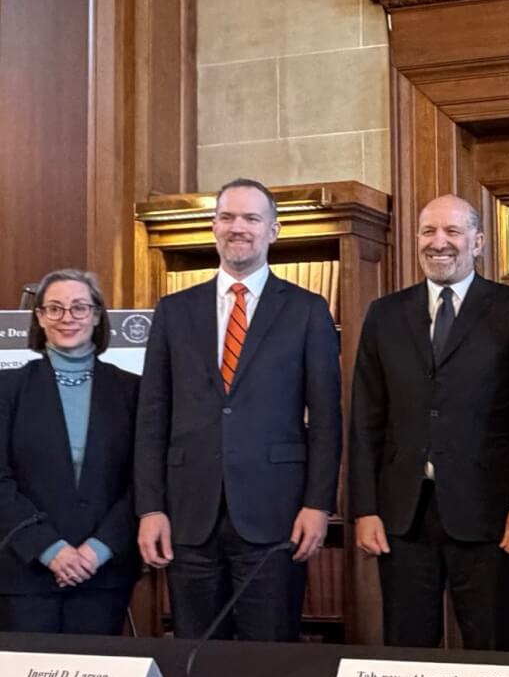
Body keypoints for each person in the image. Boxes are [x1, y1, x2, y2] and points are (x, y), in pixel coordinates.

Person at [135, 178, 341, 642]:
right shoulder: (174, 311)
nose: (238, 227)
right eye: (227, 217)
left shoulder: (307, 310)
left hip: (276, 513)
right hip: (189, 514)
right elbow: (152, 417)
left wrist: (318, 504)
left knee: (269, 655)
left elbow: (327, 419)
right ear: (213, 227)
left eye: (251, 218)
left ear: (273, 230)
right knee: (196, 651)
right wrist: (150, 508)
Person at [349, 194, 509, 650]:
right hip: (402, 515)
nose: (439, 242)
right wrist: (365, 508)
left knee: (497, 643)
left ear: (478, 242)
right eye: (428, 231)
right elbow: (365, 419)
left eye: (453, 231)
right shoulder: (384, 314)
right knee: (407, 646)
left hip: (490, 515)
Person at [0, 270, 139, 633]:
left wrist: (99, 549)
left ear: (96, 315)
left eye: (79, 307)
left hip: (104, 571)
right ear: (40, 317)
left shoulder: (133, 391)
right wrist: (50, 549)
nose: (68, 318)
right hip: (25, 571)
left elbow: (144, 481)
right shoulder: (7, 388)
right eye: (55, 308)